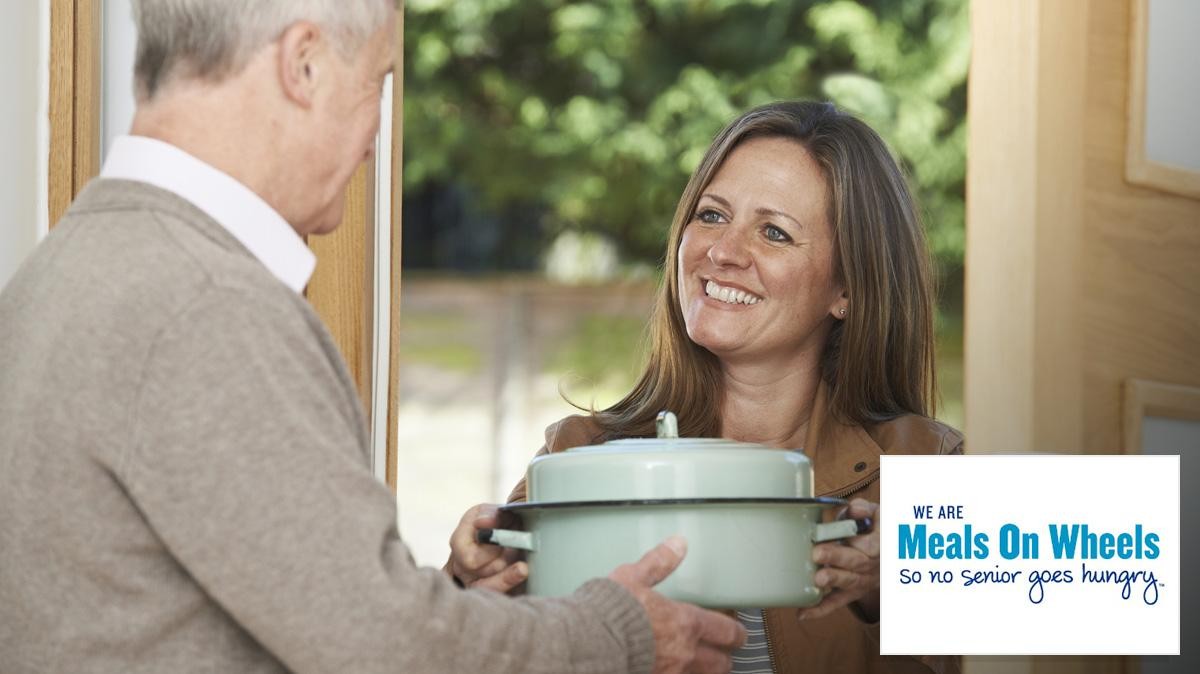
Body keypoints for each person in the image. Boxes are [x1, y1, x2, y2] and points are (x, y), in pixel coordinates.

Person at [0, 1, 745, 672]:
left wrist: (454, 602)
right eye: (379, 82)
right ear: (304, 63)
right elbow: (383, 646)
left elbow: (318, 608)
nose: (376, 134)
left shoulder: (62, 272)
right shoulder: (207, 304)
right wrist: (616, 632)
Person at [447, 101, 964, 674]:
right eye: (712, 216)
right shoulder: (576, 456)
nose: (722, 252)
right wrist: (470, 584)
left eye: (773, 232)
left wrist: (894, 582)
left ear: (847, 288)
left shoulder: (923, 468)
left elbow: (1028, 629)